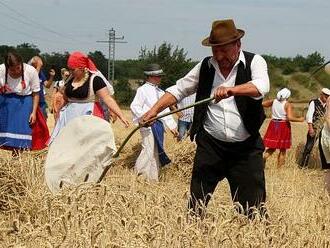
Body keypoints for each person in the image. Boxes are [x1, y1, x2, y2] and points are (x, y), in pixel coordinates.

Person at [142, 19, 270, 217]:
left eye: (224, 50)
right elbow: (179, 89)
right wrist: (154, 110)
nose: (219, 56)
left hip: (246, 148)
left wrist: (232, 90)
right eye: (215, 50)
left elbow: (261, 87)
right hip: (211, 146)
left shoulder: (255, 62)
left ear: (238, 45)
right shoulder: (205, 67)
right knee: (197, 202)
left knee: (253, 208)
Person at [49, 51, 129, 144]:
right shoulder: (70, 80)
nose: (70, 72)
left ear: (82, 68)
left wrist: (121, 115)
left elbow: (107, 98)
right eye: (69, 69)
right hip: (69, 119)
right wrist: (59, 112)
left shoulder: (95, 80)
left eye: (73, 69)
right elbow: (66, 98)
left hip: (89, 117)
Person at [130, 63, 178, 181]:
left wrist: (172, 126)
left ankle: (152, 178)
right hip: (148, 124)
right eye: (157, 76)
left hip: (159, 125)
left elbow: (164, 111)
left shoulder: (161, 93)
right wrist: (145, 117)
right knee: (148, 148)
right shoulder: (142, 90)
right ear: (150, 76)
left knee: (156, 151)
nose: (159, 78)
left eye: (160, 76)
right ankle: (139, 175)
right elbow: (135, 106)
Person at [0, 51, 49, 154]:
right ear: (7, 67)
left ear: (21, 63)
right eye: (12, 69)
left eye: (18, 68)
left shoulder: (31, 71)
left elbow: (36, 93)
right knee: (4, 128)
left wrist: (34, 112)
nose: (16, 71)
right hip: (6, 100)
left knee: (21, 130)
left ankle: (17, 157)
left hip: (24, 102)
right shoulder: (1, 70)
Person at [263, 88, 304, 168]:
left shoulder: (273, 101)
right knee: (283, 149)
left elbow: (263, 104)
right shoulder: (287, 104)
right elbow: (289, 117)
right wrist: (300, 119)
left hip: (274, 124)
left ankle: (264, 157)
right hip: (283, 125)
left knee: (272, 147)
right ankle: (279, 169)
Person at [299, 88, 330, 168]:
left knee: (323, 147)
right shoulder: (314, 102)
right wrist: (311, 128)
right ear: (321, 94)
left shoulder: (327, 104)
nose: (327, 98)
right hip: (315, 127)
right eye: (325, 96)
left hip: (324, 129)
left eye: (328, 96)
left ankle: (324, 166)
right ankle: (303, 165)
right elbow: (309, 116)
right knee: (309, 147)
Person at [28, 56, 55, 120]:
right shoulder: (28, 71)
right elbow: (33, 79)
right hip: (32, 102)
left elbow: (47, 85)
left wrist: (51, 76)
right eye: (39, 64)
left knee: (43, 120)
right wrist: (38, 67)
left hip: (41, 103)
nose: (41, 66)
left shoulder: (40, 72)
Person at [318, 96, 330, 194]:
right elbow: (328, 117)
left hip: (326, 136)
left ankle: (325, 194)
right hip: (327, 137)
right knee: (328, 168)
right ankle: (325, 194)